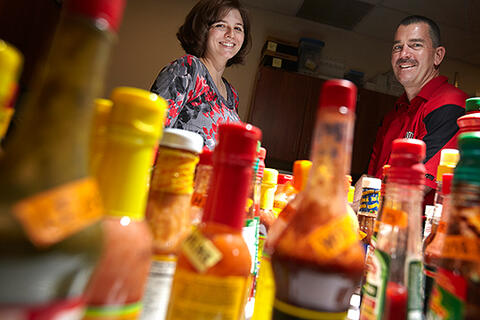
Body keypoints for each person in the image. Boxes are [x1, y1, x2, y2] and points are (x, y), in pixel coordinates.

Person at [367, 15, 467, 200]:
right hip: (381, 222)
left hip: (418, 226)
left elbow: (412, 189)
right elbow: (370, 181)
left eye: (416, 45)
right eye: (398, 47)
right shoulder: (394, 115)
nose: (403, 54)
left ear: (438, 55)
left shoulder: (450, 105)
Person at [150, 0, 251, 150]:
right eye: (221, 25)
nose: (231, 34)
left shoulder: (232, 94)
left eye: (238, 28)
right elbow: (152, 135)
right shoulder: (187, 69)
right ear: (202, 29)